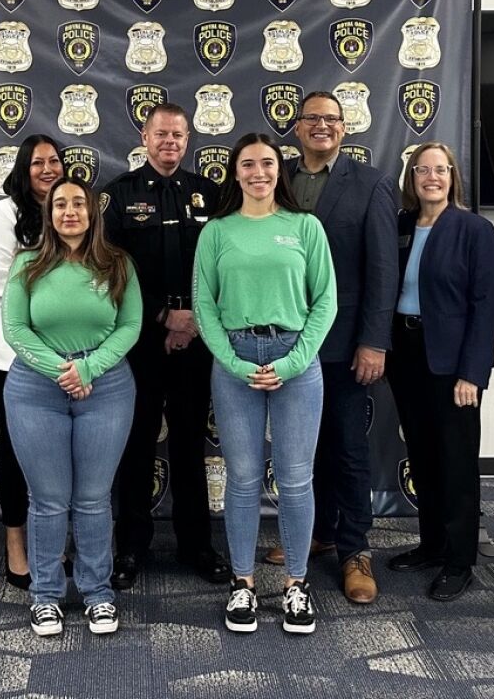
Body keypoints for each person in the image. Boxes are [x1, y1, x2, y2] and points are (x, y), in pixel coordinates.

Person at [194, 133, 337, 635]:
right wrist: (233, 362)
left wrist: (296, 360)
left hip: (295, 359)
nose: (259, 172)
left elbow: (325, 302)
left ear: (281, 170)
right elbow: (204, 305)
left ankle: (296, 584)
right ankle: (244, 584)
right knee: (244, 477)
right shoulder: (217, 231)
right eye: (248, 164)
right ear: (235, 172)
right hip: (235, 360)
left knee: (296, 479)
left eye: (268, 163)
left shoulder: (304, 226)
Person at [264, 91, 397, 605]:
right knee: (302, 448)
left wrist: (373, 342)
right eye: (312, 118)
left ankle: (356, 549)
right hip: (281, 341)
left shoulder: (371, 183)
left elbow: (383, 271)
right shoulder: (275, 179)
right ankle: (316, 534)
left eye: (332, 119)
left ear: (345, 128)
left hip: (343, 345)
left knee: (347, 446)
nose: (322, 126)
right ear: (296, 128)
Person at [1, 176, 142, 636]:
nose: (69, 212)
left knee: (93, 499)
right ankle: (46, 596)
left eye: (78, 203)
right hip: (35, 391)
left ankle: (98, 594)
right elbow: (16, 329)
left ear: (92, 211)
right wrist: (63, 369)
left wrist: (89, 368)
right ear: (49, 213)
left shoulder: (117, 264)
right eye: (60, 204)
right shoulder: (27, 264)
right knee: (47, 501)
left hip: (107, 388)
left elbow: (130, 326)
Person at [101, 103, 229, 589]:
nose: (169, 142)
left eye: (178, 134)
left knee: (191, 444)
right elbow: (110, 270)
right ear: (144, 136)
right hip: (141, 341)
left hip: (198, 338)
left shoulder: (210, 194)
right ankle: (131, 546)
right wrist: (162, 314)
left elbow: (222, 266)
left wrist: (193, 319)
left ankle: (197, 544)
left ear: (188, 138)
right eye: (161, 134)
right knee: (136, 444)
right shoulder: (117, 196)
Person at [384, 143, 494, 601]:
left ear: (453, 176)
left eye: (440, 170)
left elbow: (485, 305)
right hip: (407, 355)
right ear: (411, 178)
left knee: (455, 461)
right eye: (422, 170)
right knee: (424, 456)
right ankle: (432, 544)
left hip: (453, 364)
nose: (431, 177)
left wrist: (472, 373)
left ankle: (459, 559)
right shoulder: (401, 225)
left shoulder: (473, 229)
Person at [0, 135, 63, 590]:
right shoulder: (1, 215)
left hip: (68, 355)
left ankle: (55, 540)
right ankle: (16, 544)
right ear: (23, 169)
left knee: (60, 454)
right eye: (38, 163)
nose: (48, 169)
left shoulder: (73, 213)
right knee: (15, 452)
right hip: (13, 357)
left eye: (55, 161)